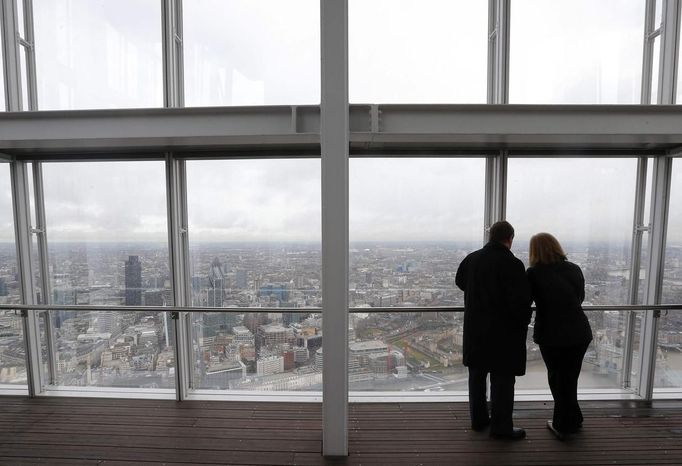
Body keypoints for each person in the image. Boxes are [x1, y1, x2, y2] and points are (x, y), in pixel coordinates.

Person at [455, 221, 532, 440]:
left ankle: (478, 420)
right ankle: (501, 427)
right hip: (503, 332)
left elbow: (460, 281)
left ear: (491, 236)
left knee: (477, 377)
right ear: (510, 238)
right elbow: (520, 301)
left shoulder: (472, 258)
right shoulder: (513, 264)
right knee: (503, 380)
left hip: (475, 329)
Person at [526, 232, 593, 441]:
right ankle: (573, 418)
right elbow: (580, 298)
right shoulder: (574, 269)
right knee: (569, 378)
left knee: (557, 378)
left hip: (552, 333)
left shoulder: (534, 273)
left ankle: (563, 424)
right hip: (579, 332)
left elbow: (526, 300)